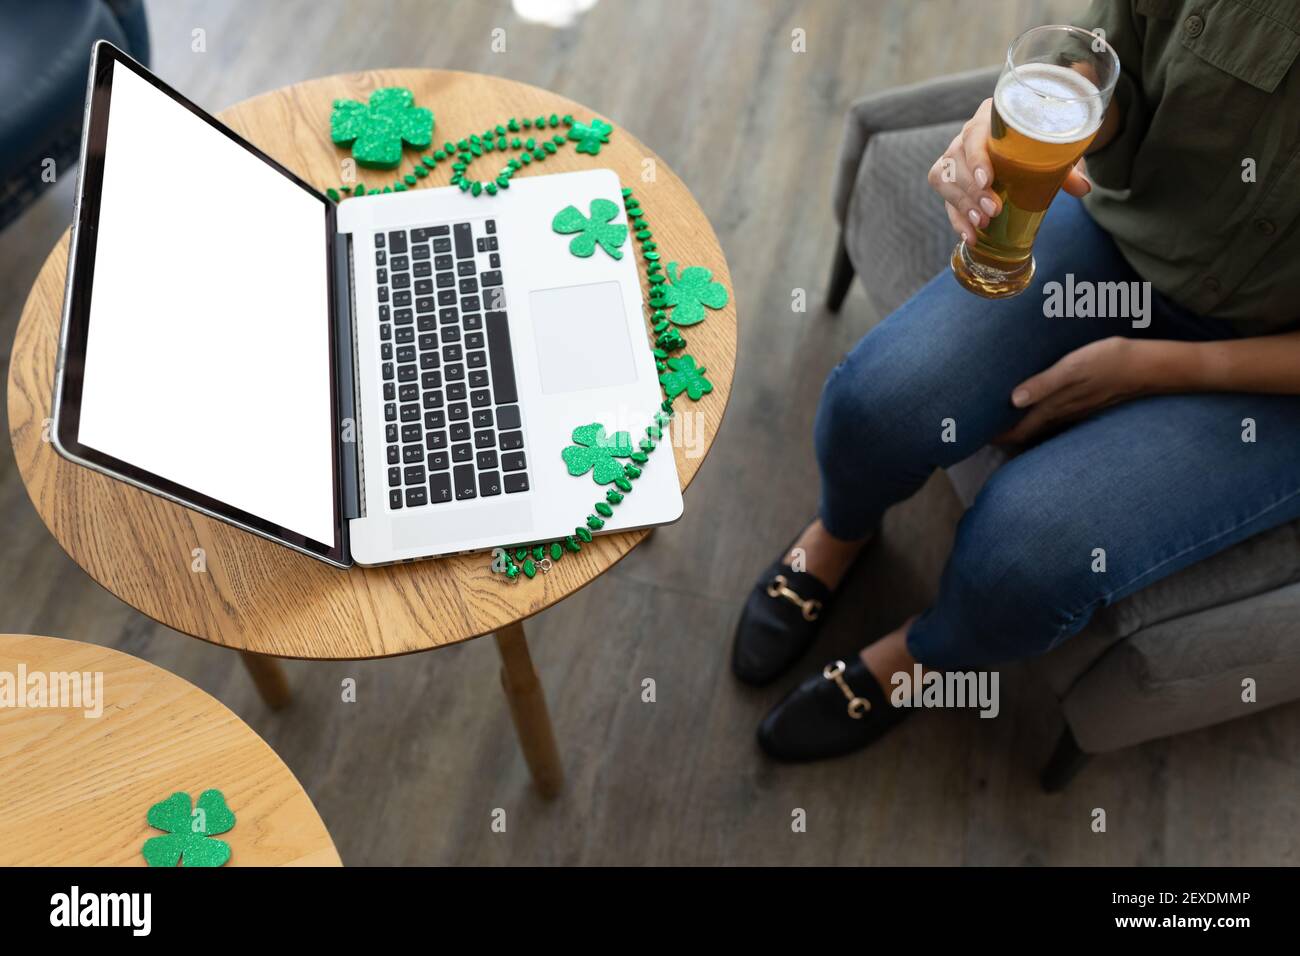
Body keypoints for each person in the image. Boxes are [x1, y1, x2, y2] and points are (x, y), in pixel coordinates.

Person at [732, 0, 1300, 761]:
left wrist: (1153, 369)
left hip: (1278, 384)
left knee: (1024, 565)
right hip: (1133, 239)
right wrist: (1023, 131)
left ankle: (923, 657)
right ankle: (839, 535)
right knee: (878, 405)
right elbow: (1110, 74)